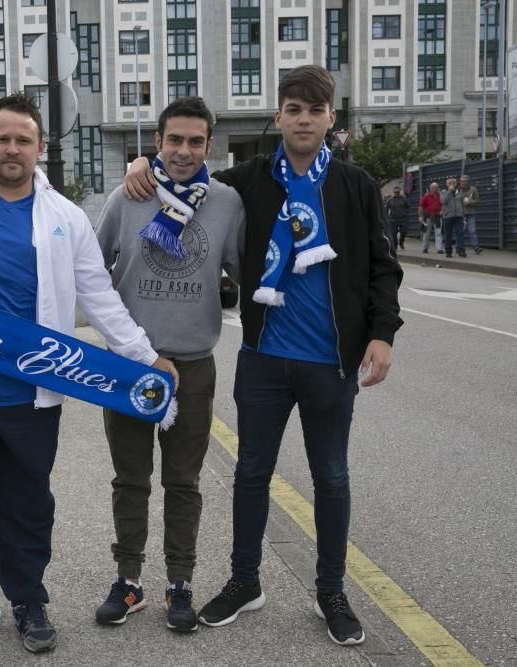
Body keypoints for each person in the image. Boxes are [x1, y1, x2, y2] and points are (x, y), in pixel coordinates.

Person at [123, 65, 402, 647]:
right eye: (293, 109)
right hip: (264, 359)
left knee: (331, 476)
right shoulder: (247, 181)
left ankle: (330, 590)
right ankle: (245, 581)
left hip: (331, 363)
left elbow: (382, 267)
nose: (303, 119)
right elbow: (186, 175)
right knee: (251, 472)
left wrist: (381, 333)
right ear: (278, 117)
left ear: (331, 119)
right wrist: (142, 167)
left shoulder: (354, 186)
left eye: (315, 110)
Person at [0, 91, 177, 663]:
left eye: (23, 140)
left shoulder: (65, 217)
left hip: (33, 394)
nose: (12, 149)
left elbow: (97, 295)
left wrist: (142, 354)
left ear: (40, 149)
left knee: (29, 504)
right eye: (2, 138)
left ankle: (30, 601)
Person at [92, 96, 243, 633]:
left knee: (185, 483)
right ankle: (127, 580)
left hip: (194, 367)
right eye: (173, 140)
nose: (183, 151)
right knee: (130, 480)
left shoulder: (226, 204)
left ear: (209, 145)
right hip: (131, 367)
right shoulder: (127, 196)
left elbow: (244, 277)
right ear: (156, 143)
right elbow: (92, 272)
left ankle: (179, 584)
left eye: (195, 141)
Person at [440, 177, 465, 258]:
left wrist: (462, 214)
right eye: (450, 183)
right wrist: (449, 192)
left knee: (460, 233)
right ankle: (448, 251)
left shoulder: (459, 192)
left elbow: (461, 203)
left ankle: (461, 250)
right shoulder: (444, 192)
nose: (452, 184)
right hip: (448, 217)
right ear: (447, 184)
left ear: (456, 184)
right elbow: (443, 201)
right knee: (448, 234)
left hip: (458, 216)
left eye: (453, 183)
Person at [459, 175, 482, 255]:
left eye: (464, 181)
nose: (463, 183)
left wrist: (470, 202)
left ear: (468, 182)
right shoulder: (458, 190)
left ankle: (476, 248)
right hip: (460, 215)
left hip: (470, 214)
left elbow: (477, 200)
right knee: (460, 232)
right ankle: (460, 248)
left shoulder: (473, 189)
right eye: (461, 181)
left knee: (472, 231)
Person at [419, 182, 443, 254]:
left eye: (435, 187)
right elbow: (421, 207)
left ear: (437, 188)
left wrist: (442, 210)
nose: (434, 189)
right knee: (426, 233)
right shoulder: (426, 196)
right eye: (432, 187)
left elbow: (444, 205)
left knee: (438, 233)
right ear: (430, 188)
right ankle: (425, 248)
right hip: (428, 217)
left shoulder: (440, 196)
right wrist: (420, 216)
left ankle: (439, 249)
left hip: (438, 217)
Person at [385, 185, 410, 250]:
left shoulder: (404, 199)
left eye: (398, 192)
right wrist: (386, 218)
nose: (396, 193)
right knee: (393, 234)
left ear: (400, 192)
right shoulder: (390, 200)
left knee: (404, 232)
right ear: (393, 192)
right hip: (393, 220)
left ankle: (401, 242)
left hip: (403, 219)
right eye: (395, 192)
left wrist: (405, 214)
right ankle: (395, 246)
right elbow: (386, 210)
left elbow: (408, 206)